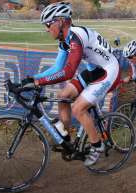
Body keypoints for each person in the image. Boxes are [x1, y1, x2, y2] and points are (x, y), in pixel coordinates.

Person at [23, 2, 120, 166]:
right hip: (93, 71)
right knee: (63, 96)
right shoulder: (65, 40)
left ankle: (97, 146)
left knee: (77, 108)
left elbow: (68, 72)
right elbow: (57, 67)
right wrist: (33, 78)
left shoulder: (76, 35)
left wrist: (39, 82)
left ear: (60, 21)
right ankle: (66, 137)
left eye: (48, 24)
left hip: (108, 71)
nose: (47, 29)